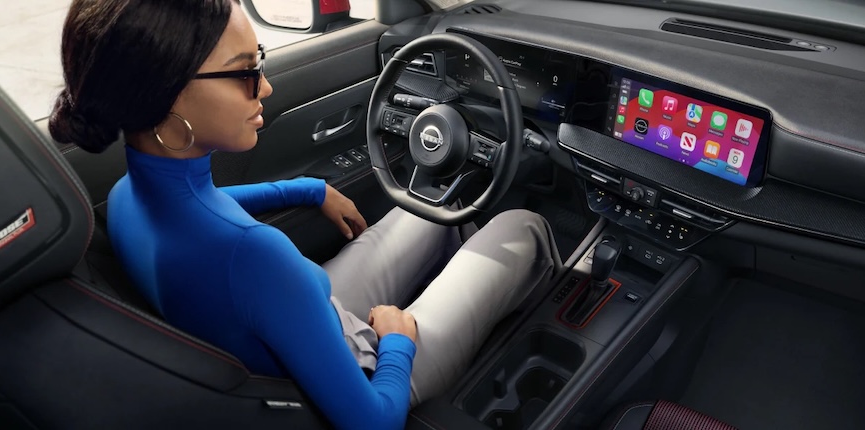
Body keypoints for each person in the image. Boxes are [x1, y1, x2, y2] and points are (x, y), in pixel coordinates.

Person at [47, 1, 560, 429]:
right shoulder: (253, 254)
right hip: (363, 371)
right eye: (246, 72)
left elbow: (213, 209)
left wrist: (310, 189)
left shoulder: (123, 199)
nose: (265, 87)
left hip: (298, 322)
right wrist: (399, 340)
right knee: (521, 228)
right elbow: (371, 422)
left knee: (435, 209)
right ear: (166, 96)